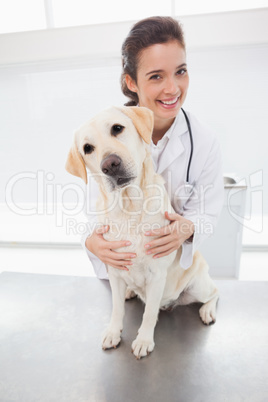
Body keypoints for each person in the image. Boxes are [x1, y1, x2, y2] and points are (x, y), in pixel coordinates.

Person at [81, 16, 224, 280]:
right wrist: (91, 241)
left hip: (168, 276)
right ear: (132, 82)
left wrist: (189, 227)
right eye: (156, 76)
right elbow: (94, 212)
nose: (173, 88)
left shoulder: (204, 142)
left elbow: (209, 211)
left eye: (180, 71)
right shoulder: (106, 137)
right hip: (125, 275)